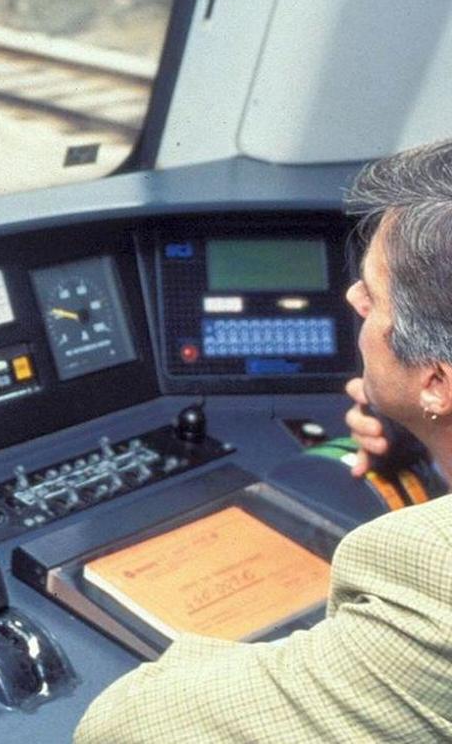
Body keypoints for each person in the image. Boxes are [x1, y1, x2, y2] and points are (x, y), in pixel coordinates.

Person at [75, 139, 452, 743]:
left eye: (373, 295)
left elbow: (129, 727)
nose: (351, 296)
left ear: (435, 379)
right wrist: (433, 447)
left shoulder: (433, 579)